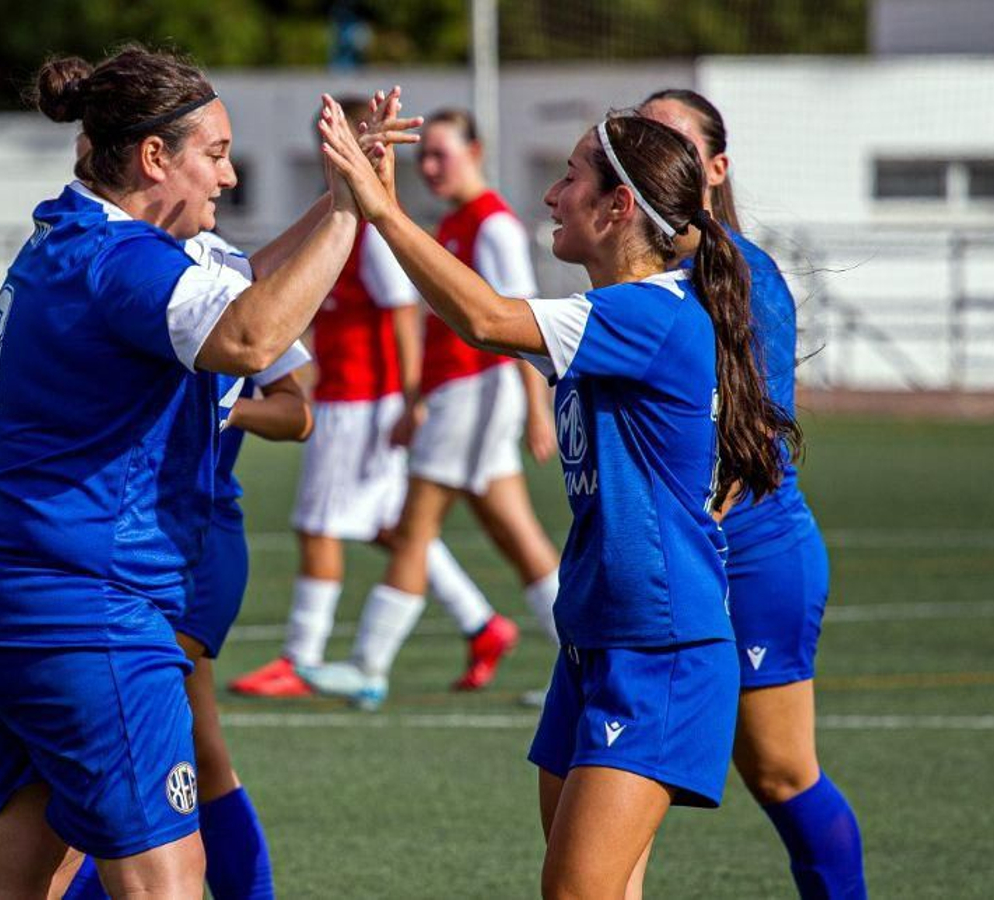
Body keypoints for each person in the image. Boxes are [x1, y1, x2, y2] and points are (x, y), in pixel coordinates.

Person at [316, 99, 798, 895]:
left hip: (661, 649)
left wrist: (383, 210)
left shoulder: (649, 314)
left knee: (575, 892)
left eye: (569, 176)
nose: (550, 196)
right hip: (596, 640)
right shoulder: (619, 318)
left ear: (618, 207)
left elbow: (482, 316)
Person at [0, 45, 362, 900]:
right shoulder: (124, 263)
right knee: (168, 882)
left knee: (20, 876)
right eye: (217, 153)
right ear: (155, 157)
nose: (229, 177)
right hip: (83, 611)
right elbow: (248, 339)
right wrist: (353, 214)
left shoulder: (74, 238)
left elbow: (241, 286)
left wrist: (346, 200)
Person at [640, 87, 866, 899]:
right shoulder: (633, 274)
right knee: (623, 778)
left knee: (779, 773)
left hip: (752, 559)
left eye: (671, 140)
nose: (651, 150)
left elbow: (752, 445)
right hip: (673, 566)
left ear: (715, 168)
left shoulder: (742, 275)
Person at [61, 230, 313, 900]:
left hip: (196, 545)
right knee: (195, 759)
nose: (223, 175)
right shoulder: (118, 257)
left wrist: (231, 411)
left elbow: (297, 413)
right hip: (132, 546)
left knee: (126, 759)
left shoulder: (217, 266)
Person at [228, 92, 501, 701]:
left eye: (337, 136)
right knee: (388, 526)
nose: (325, 146)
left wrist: (408, 397)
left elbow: (403, 310)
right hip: (352, 393)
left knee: (318, 524)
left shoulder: (370, 229)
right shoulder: (338, 214)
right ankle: (481, 622)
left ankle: (300, 657)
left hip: (362, 400)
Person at [304, 108, 563, 709]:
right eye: (425, 155)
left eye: (441, 152)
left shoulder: (493, 225)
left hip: (475, 393)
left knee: (414, 525)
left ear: (476, 151)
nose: (429, 166)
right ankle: (586, 666)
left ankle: (368, 667)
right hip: (457, 395)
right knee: (518, 537)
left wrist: (536, 406)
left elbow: (523, 315)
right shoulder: (455, 223)